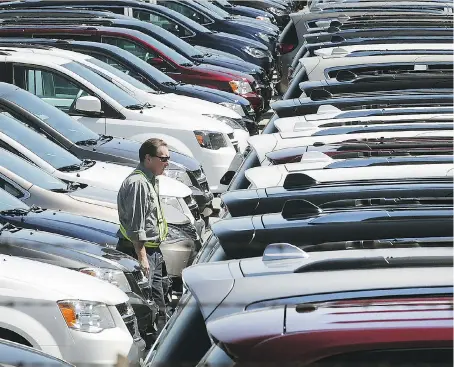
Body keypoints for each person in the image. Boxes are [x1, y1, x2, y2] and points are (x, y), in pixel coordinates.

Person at [117, 138, 170, 322]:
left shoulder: (150, 179)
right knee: (149, 306)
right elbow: (136, 226)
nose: (167, 163)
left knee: (159, 300)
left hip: (153, 252)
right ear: (148, 158)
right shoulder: (138, 183)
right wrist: (143, 258)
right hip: (140, 252)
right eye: (163, 158)